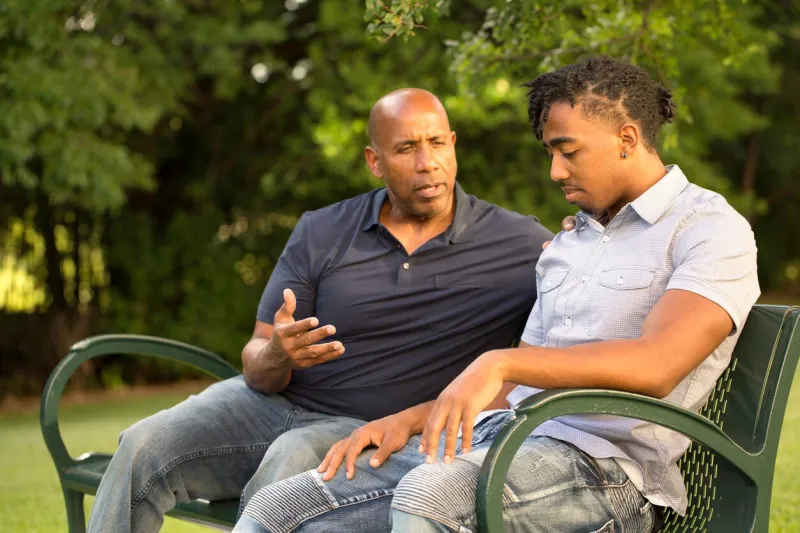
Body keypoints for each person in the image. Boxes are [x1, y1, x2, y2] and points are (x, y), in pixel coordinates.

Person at [232, 56, 761, 533]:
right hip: (499, 441)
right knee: (282, 506)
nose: (555, 171)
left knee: (429, 495)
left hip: (604, 472)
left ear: (626, 138)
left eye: (567, 151)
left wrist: (499, 362)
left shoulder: (707, 229)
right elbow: (513, 391)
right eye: (552, 152)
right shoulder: (569, 243)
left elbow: (658, 364)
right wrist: (406, 421)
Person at [86, 88, 554, 533]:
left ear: (453, 145)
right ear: (375, 161)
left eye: (436, 143)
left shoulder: (518, 243)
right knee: (142, 445)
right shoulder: (323, 229)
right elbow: (257, 362)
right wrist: (278, 354)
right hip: (265, 404)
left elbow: (585, 281)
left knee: (288, 461)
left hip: (368, 428)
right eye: (406, 148)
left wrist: (582, 240)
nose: (427, 162)